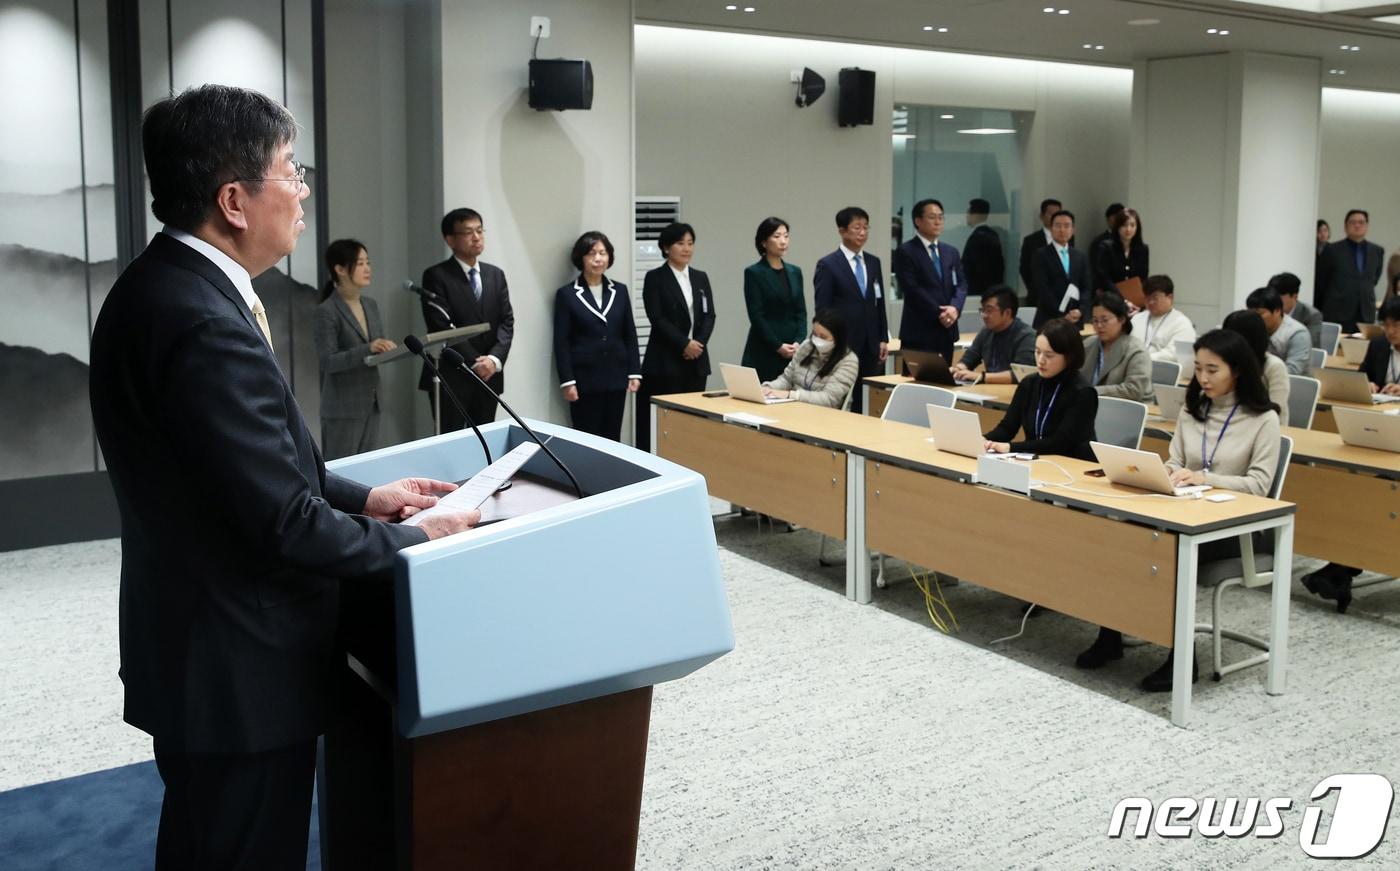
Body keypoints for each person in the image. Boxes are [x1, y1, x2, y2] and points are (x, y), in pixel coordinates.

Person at [87, 84, 478, 869]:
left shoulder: (165, 287)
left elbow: (251, 469)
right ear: (235, 199)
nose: (303, 191)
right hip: (240, 664)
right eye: (292, 171)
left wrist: (366, 497)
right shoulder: (200, 320)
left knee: (206, 843)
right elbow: (279, 520)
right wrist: (412, 537)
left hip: (203, 642)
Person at [1077, 329, 1281, 691]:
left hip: (1232, 527)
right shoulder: (1192, 410)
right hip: (1185, 512)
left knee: (1164, 551)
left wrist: (1204, 477)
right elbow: (1176, 461)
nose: (1202, 378)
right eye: (1198, 368)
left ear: (1237, 371)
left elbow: (1259, 486)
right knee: (1119, 536)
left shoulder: (1263, 419)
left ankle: (1182, 660)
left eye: (1212, 370)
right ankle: (1109, 635)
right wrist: (1168, 473)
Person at [420, 208, 515, 429]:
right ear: (450, 239)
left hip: (489, 376)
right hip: (451, 377)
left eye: (480, 230)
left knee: (485, 445)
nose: (476, 237)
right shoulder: (436, 276)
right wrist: (475, 362)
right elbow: (441, 325)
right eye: (468, 232)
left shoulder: (495, 274)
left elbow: (506, 322)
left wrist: (493, 361)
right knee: (451, 445)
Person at [554, 230, 641, 441]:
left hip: (616, 377)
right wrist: (567, 381)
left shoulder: (619, 290)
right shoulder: (567, 294)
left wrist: (634, 372)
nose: (598, 259)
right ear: (581, 257)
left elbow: (629, 332)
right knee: (587, 438)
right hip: (584, 379)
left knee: (613, 437)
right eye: (592, 253)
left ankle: (613, 475)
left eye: (603, 253)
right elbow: (561, 341)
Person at [314, 239, 396, 459]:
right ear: (340, 269)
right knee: (342, 475)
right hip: (342, 407)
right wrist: (368, 349)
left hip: (372, 400)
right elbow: (328, 362)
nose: (368, 268)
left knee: (367, 471)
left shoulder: (371, 304)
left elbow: (375, 348)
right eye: (360, 263)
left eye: (368, 262)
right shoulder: (327, 310)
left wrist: (386, 349)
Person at [637, 222, 715, 450]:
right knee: (665, 420)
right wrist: (684, 344)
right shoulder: (655, 278)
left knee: (693, 418)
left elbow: (710, 315)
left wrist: (698, 344)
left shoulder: (701, 278)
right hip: (665, 360)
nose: (686, 248)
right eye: (680, 243)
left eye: (690, 243)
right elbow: (657, 318)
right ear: (666, 247)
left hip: (697, 360)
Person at [983, 318, 1099, 460]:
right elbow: (1007, 428)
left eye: (1049, 355)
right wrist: (983, 440)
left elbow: (1060, 443)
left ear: (1069, 356)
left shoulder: (1083, 392)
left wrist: (1010, 447)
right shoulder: (1029, 384)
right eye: (1037, 352)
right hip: (1036, 460)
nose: (1041, 360)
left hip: (1074, 465)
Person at [814, 206, 888, 414]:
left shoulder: (873, 263)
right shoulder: (828, 264)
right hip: (843, 341)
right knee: (838, 395)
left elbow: (879, 303)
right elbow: (823, 308)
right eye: (857, 227)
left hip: (870, 342)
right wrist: (828, 340)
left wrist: (883, 337)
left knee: (866, 396)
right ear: (842, 230)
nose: (862, 232)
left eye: (866, 227)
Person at [894, 198, 967, 366]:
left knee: (944, 384)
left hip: (946, 330)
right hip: (919, 331)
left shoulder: (951, 252)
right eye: (932, 217)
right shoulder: (906, 251)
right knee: (917, 387)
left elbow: (962, 284)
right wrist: (940, 312)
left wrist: (955, 308)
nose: (938, 222)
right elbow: (912, 289)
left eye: (941, 217)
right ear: (918, 221)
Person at [742, 217, 807, 381]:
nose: (783, 241)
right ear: (764, 242)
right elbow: (756, 315)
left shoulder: (795, 272)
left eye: (786, 236)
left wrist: (799, 341)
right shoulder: (754, 272)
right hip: (766, 348)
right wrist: (777, 346)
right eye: (777, 237)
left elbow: (801, 311)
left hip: (793, 348)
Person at [761, 309, 860, 408]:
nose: (817, 339)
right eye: (815, 334)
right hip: (794, 408)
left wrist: (791, 395)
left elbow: (829, 399)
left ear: (838, 339)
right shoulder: (807, 346)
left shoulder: (849, 361)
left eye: (823, 337)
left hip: (823, 415)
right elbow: (786, 379)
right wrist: (768, 388)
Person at [1315, 208, 1385, 331]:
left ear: (1367, 226)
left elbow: (1374, 278)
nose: (1357, 225)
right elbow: (1321, 282)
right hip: (1338, 312)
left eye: (1361, 222)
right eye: (1353, 222)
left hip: (1366, 312)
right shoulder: (1332, 250)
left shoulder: (1377, 251)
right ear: (1345, 226)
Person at [951, 286, 1036, 385]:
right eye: (982, 310)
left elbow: (1020, 375)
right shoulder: (986, 332)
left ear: (1007, 313)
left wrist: (982, 377)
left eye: (989, 310)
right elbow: (969, 358)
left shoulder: (1026, 336)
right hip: (990, 388)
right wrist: (958, 369)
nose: (984, 315)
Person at [1221, 310, 1291, 427]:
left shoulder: (1274, 366)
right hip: (1230, 424)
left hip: (1266, 427)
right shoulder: (1226, 362)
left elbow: (1275, 409)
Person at [1081, 290, 1152, 401]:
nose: (1099, 325)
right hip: (1091, 404)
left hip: (1128, 409)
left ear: (1122, 319)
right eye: (1095, 320)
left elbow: (1133, 390)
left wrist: (1093, 391)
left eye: (1105, 320)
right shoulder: (1088, 344)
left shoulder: (1136, 350)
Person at [1031, 210, 1091, 328]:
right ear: (1051, 228)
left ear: (1073, 230)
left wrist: (1080, 310)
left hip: (1075, 319)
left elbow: (1086, 287)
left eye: (1067, 226)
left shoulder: (1080, 256)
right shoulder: (1041, 254)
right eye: (1058, 226)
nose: (1062, 230)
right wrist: (1062, 314)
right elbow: (1042, 288)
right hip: (1049, 319)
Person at [1129, 275, 1195, 364]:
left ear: (1170, 297)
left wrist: (1142, 358)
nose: (1150, 302)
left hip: (1163, 371)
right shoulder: (1137, 318)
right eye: (1147, 298)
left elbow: (1173, 354)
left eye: (1155, 298)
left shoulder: (1182, 323)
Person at [1246, 286, 1311, 375]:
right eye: (1251, 314)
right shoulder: (1251, 328)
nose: (1253, 318)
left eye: (1259, 314)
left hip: (1293, 384)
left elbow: (1293, 371)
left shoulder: (1298, 334)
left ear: (1277, 311)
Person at [1091, 207, 1148, 305]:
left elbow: (1143, 277)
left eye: (1132, 225)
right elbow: (1104, 277)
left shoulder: (1142, 249)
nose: (1128, 229)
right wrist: (1123, 300)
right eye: (1124, 225)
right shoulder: (1106, 247)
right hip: (1110, 299)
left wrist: (1136, 299)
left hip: (1135, 300)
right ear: (1117, 227)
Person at [1018, 197, 1069, 305]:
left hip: (1063, 297)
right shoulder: (1031, 240)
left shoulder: (1068, 238)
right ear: (1042, 216)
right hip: (1038, 297)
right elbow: (1025, 268)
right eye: (1051, 214)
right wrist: (1035, 287)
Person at [961, 197, 1005, 298]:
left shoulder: (978, 237)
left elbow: (976, 268)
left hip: (978, 293)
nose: (967, 216)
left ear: (975, 215)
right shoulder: (993, 234)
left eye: (969, 213)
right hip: (993, 291)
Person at [1269, 271, 1322, 348]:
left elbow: (1312, 346)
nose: (1275, 301)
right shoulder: (1269, 311)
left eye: (1279, 297)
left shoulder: (1311, 315)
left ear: (1294, 296)